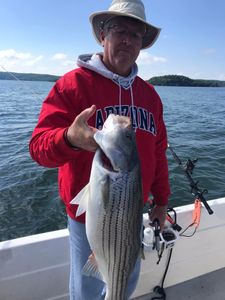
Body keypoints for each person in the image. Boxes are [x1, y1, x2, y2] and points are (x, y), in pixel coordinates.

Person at [29, 0, 170, 299]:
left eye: (136, 35)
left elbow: (158, 151)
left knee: (126, 283)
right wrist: (68, 138)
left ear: (142, 43)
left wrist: (161, 201)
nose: (128, 40)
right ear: (103, 35)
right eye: (120, 30)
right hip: (88, 219)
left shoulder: (150, 96)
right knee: (87, 291)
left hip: (134, 213)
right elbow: (38, 149)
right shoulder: (72, 85)